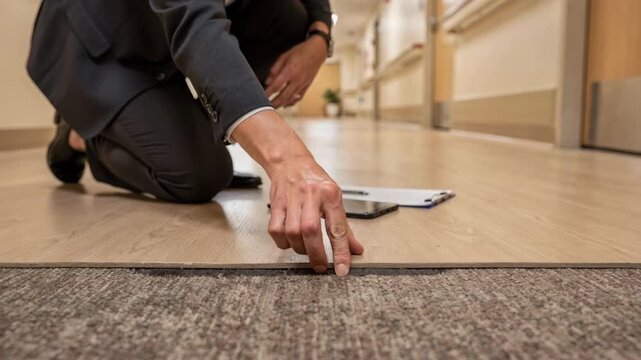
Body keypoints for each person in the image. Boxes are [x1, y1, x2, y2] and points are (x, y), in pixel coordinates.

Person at [27, 0, 363, 276]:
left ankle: (184, 128)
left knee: (290, 18)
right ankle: (77, 135)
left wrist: (319, 38)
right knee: (200, 176)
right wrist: (286, 157)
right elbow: (193, 18)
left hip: (163, 30)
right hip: (102, 38)